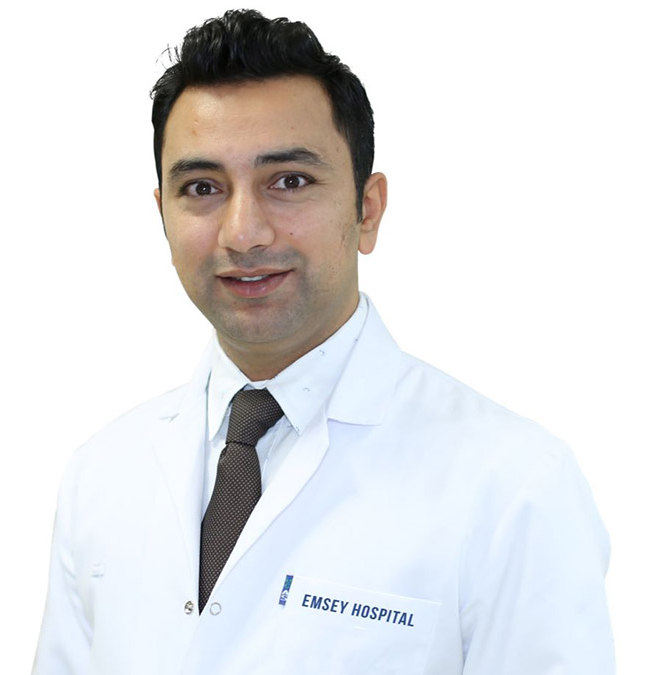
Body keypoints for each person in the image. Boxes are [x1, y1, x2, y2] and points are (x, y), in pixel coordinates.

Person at [32, 9, 614, 675]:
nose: (243, 232)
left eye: (289, 181)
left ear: (367, 209)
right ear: (162, 213)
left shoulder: (513, 485)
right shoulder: (102, 473)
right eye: (202, 188)